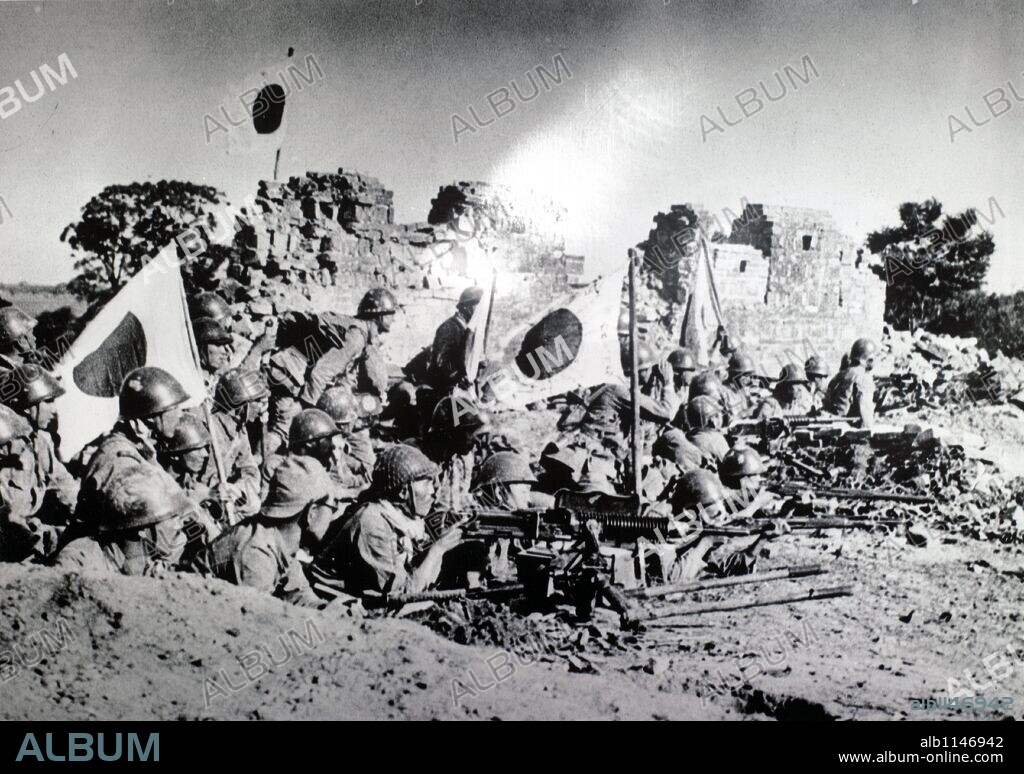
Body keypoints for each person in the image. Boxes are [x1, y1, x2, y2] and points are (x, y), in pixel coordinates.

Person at [316, 444, 462, 596]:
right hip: (329, 602)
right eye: (427, 483)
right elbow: (398, 595)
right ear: (403, 491)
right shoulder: (373, 522)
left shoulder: (396, 516)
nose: (433, 492)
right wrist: (437, 551)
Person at [202, 456, 328, 607]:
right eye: (331, 507)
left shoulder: (282, 539)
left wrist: (327, 610)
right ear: (311, 513)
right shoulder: (256, 557)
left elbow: (298, 594)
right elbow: (254, 621)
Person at [74, 367, 189, 529]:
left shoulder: (139, 449)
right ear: (151, 416)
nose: (180, 414)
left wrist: (152, 462)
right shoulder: (122, 460)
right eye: (175, 407)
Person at [53, 462, 207, 576]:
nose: (180, 525)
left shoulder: (151, 562)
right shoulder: (80, 562)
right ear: (142, 529)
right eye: (173, 518)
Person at [0, 366, 79, 540]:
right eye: (48, 402)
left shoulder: (37, 441)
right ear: (28, 406)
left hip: (29, 533)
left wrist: (84, 510)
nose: (54, 411)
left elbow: (61, 481)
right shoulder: (5, 446)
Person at [299, 287, 397, 405]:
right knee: (292, 420)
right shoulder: (356, 337)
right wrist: (311, 412)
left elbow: (346, 376)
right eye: (391, 313)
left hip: (301, 376)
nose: (394, 319)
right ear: (380, 315)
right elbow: (320, 374)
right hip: (289, 376)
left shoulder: (363, 335)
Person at [427, 286, 483, 395]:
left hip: (462, 390)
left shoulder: (468, 329)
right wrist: (458, 376)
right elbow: (441, 362)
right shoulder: (449, 328)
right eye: (478, 306)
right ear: (466, 307)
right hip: (446, 390)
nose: (480, 311)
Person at [317, 385, 375, 490]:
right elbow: (342, 481)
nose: (355, 423)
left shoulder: (328, 438)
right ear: (343, 425)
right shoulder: (332, 446)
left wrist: (358, 466)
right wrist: (363, 482)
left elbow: (343, 459)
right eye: (353, 419)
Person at [264, 347, 309, 458]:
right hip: (286, 369)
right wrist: (303, 402)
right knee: (281, 426)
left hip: (292, 370)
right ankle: (259, 461)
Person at [823, 338, 878, 428]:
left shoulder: (841, 374)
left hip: (831, 421)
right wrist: (869, 430)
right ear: (869, 360)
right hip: (845, 425)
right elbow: (865, 407)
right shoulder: (864, 377)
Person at [683, 395, 730, 468]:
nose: (721, 415)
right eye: (717, 414)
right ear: (712, 420)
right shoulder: (716, 440)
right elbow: (734, 469)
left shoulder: (686, 437)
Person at [192, 316, 234, 390]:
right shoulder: (189, 379)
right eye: (218, 345)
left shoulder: (218, 382)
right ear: (200, 347)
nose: (226, 352)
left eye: (225, 346)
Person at [720, 351, 762, 420]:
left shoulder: (741, 390)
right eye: (746, 375)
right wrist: (746, 412)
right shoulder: (723, 392)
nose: (749, 378)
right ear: (734, 374)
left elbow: (751, 405)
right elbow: (725, 422)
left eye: (750, 375)